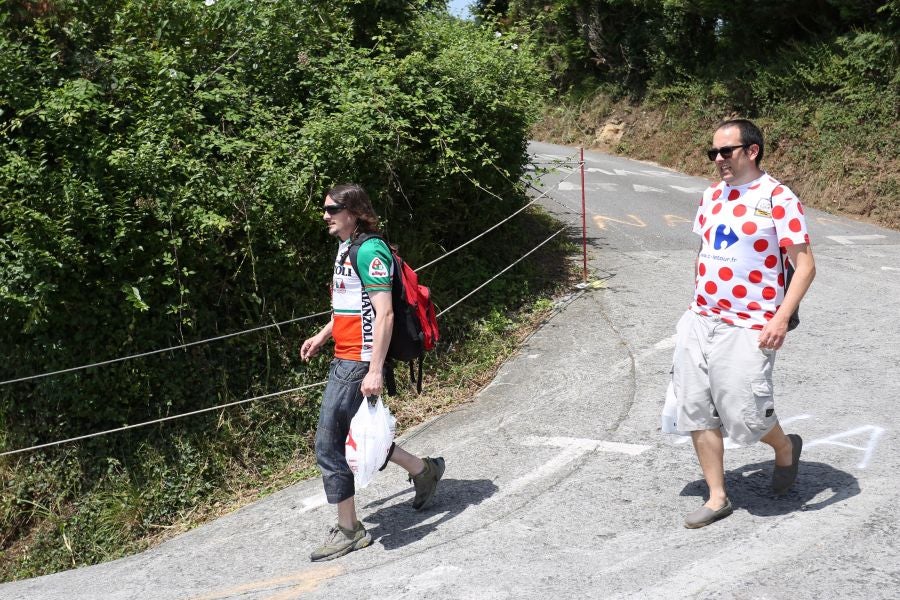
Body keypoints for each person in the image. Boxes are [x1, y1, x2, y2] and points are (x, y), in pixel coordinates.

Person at [671, 119, 816, 528]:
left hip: (751, 323)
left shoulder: (778, 198)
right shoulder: (711, 196)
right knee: (696, 407)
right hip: (702, 317)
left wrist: (781, 318)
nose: (717, 160)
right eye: (712, 153)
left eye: (726, 152)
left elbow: (804, 267)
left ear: (751, 151)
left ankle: (785, 447)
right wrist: (695, 302)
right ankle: (718, 497)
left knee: (746, 415)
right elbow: (703, 252)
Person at [300, 183, 445, 560]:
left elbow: (385, 313)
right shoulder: (345, 248)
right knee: (359, 437)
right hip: (345, 354)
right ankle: (423, 470)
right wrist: (322, 334)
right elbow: (352, 304)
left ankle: (349, 530)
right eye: (326, 209)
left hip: (359, 360)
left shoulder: (369, 250)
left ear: (354, 212)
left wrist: (375, 369)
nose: (326, 215)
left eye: (332, 209)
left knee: (329, 444)